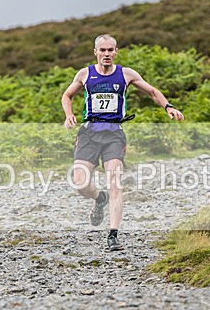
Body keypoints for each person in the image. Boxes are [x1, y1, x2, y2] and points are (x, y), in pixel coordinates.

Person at [61, 34, 184, 251]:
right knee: (79, 182)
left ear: (116, 52)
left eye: (110, 50)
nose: (106, 54)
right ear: (95, 52)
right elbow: (67, 95)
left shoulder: (126, 74)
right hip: (89, 133)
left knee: (115, 183)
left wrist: (169, 107)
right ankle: (100, 199)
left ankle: (113, 235)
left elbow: (153, 92)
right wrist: (68, 115)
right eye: (103, 50)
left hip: (114, 135)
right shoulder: (85, 74)